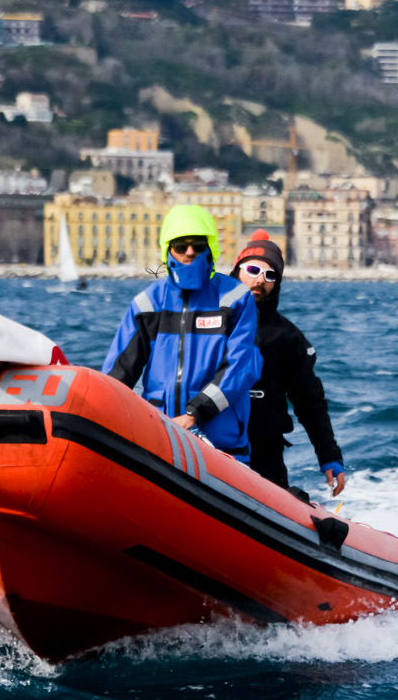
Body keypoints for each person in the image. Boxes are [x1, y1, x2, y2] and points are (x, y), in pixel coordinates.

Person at [103, 205, 261, 462]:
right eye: (180, 245)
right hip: (159, 438)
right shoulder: (148, 303)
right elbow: (119, 371)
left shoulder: (235, 298)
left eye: (198, 245)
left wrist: (193, 415)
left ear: (210, 248)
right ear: (168, 249)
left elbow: (240, 368)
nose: (190, 252)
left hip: (219, 445)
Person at [230, 230, 346, 501]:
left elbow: (310, 402)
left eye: (271, 275)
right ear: (236, 272)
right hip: (213, 442)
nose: (261, 279)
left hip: (265, 449)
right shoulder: (210, 322)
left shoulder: (288, 338)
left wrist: (329, 455)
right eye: (253, 269)